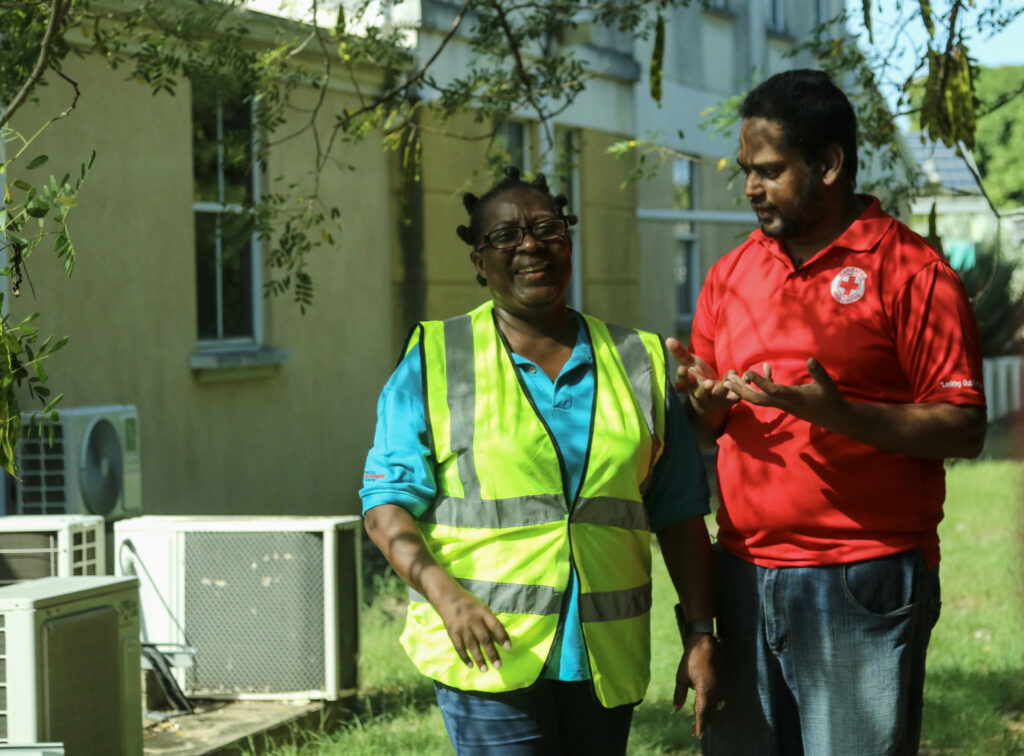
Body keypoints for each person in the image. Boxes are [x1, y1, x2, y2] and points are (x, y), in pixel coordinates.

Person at [668, 69, 987, 756]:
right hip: (744, 575)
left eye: (770, 170)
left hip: (861, 578)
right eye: (746, 172)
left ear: (830, 163)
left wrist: (844, 416)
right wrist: (702, 404)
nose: (751, 188)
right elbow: (706, 426)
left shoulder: (912, 270)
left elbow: (964, 424)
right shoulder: (732, 274)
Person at [361, 166, 717, 755]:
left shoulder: (639, 359)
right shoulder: (436, 358)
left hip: (603, 660)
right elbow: (385, 507)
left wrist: (701, 634)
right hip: (488, 657)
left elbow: (679, 514)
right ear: (480, 261)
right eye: (506, 236)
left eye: (546, 228)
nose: (530, 245)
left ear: (569, 240)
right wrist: (447, 599)